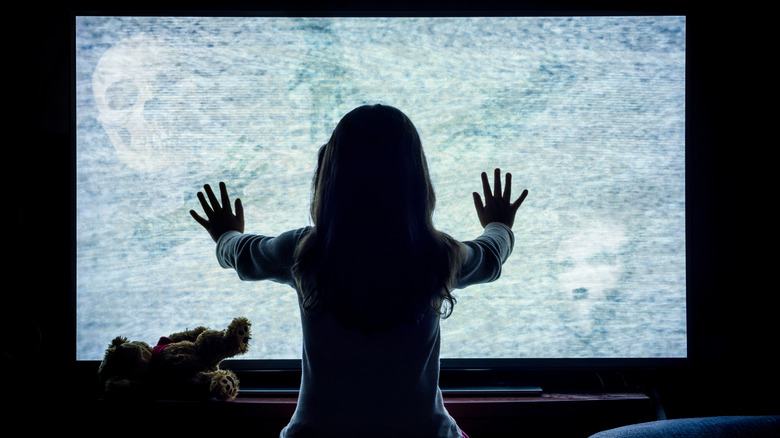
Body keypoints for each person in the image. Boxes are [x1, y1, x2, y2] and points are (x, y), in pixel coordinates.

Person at [190, 104, 528, 437]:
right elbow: (489, 257)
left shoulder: (304, 251)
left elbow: (243, 255)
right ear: (417, 182)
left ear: (329, 176)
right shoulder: (437, 255)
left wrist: (225, 234)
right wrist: (499, 223)